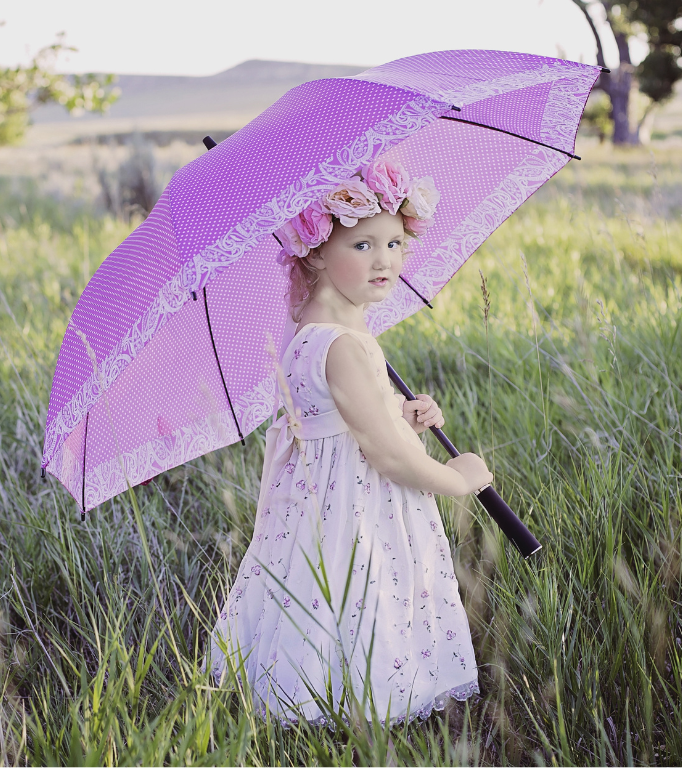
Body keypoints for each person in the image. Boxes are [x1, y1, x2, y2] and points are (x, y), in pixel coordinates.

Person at [209, 159, 492, 726]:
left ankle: (301, 685)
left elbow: (337, 421)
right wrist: (459, 480)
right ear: (313, 250)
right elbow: (384, 455)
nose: (385, 259)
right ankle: (371, 695)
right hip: (358, 503)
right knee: (366, 589)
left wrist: (397, 413)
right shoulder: (342, 343)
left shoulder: (311, 328)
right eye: (362, 245)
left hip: (315, 500)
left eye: (393, 242)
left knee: (318, 589)